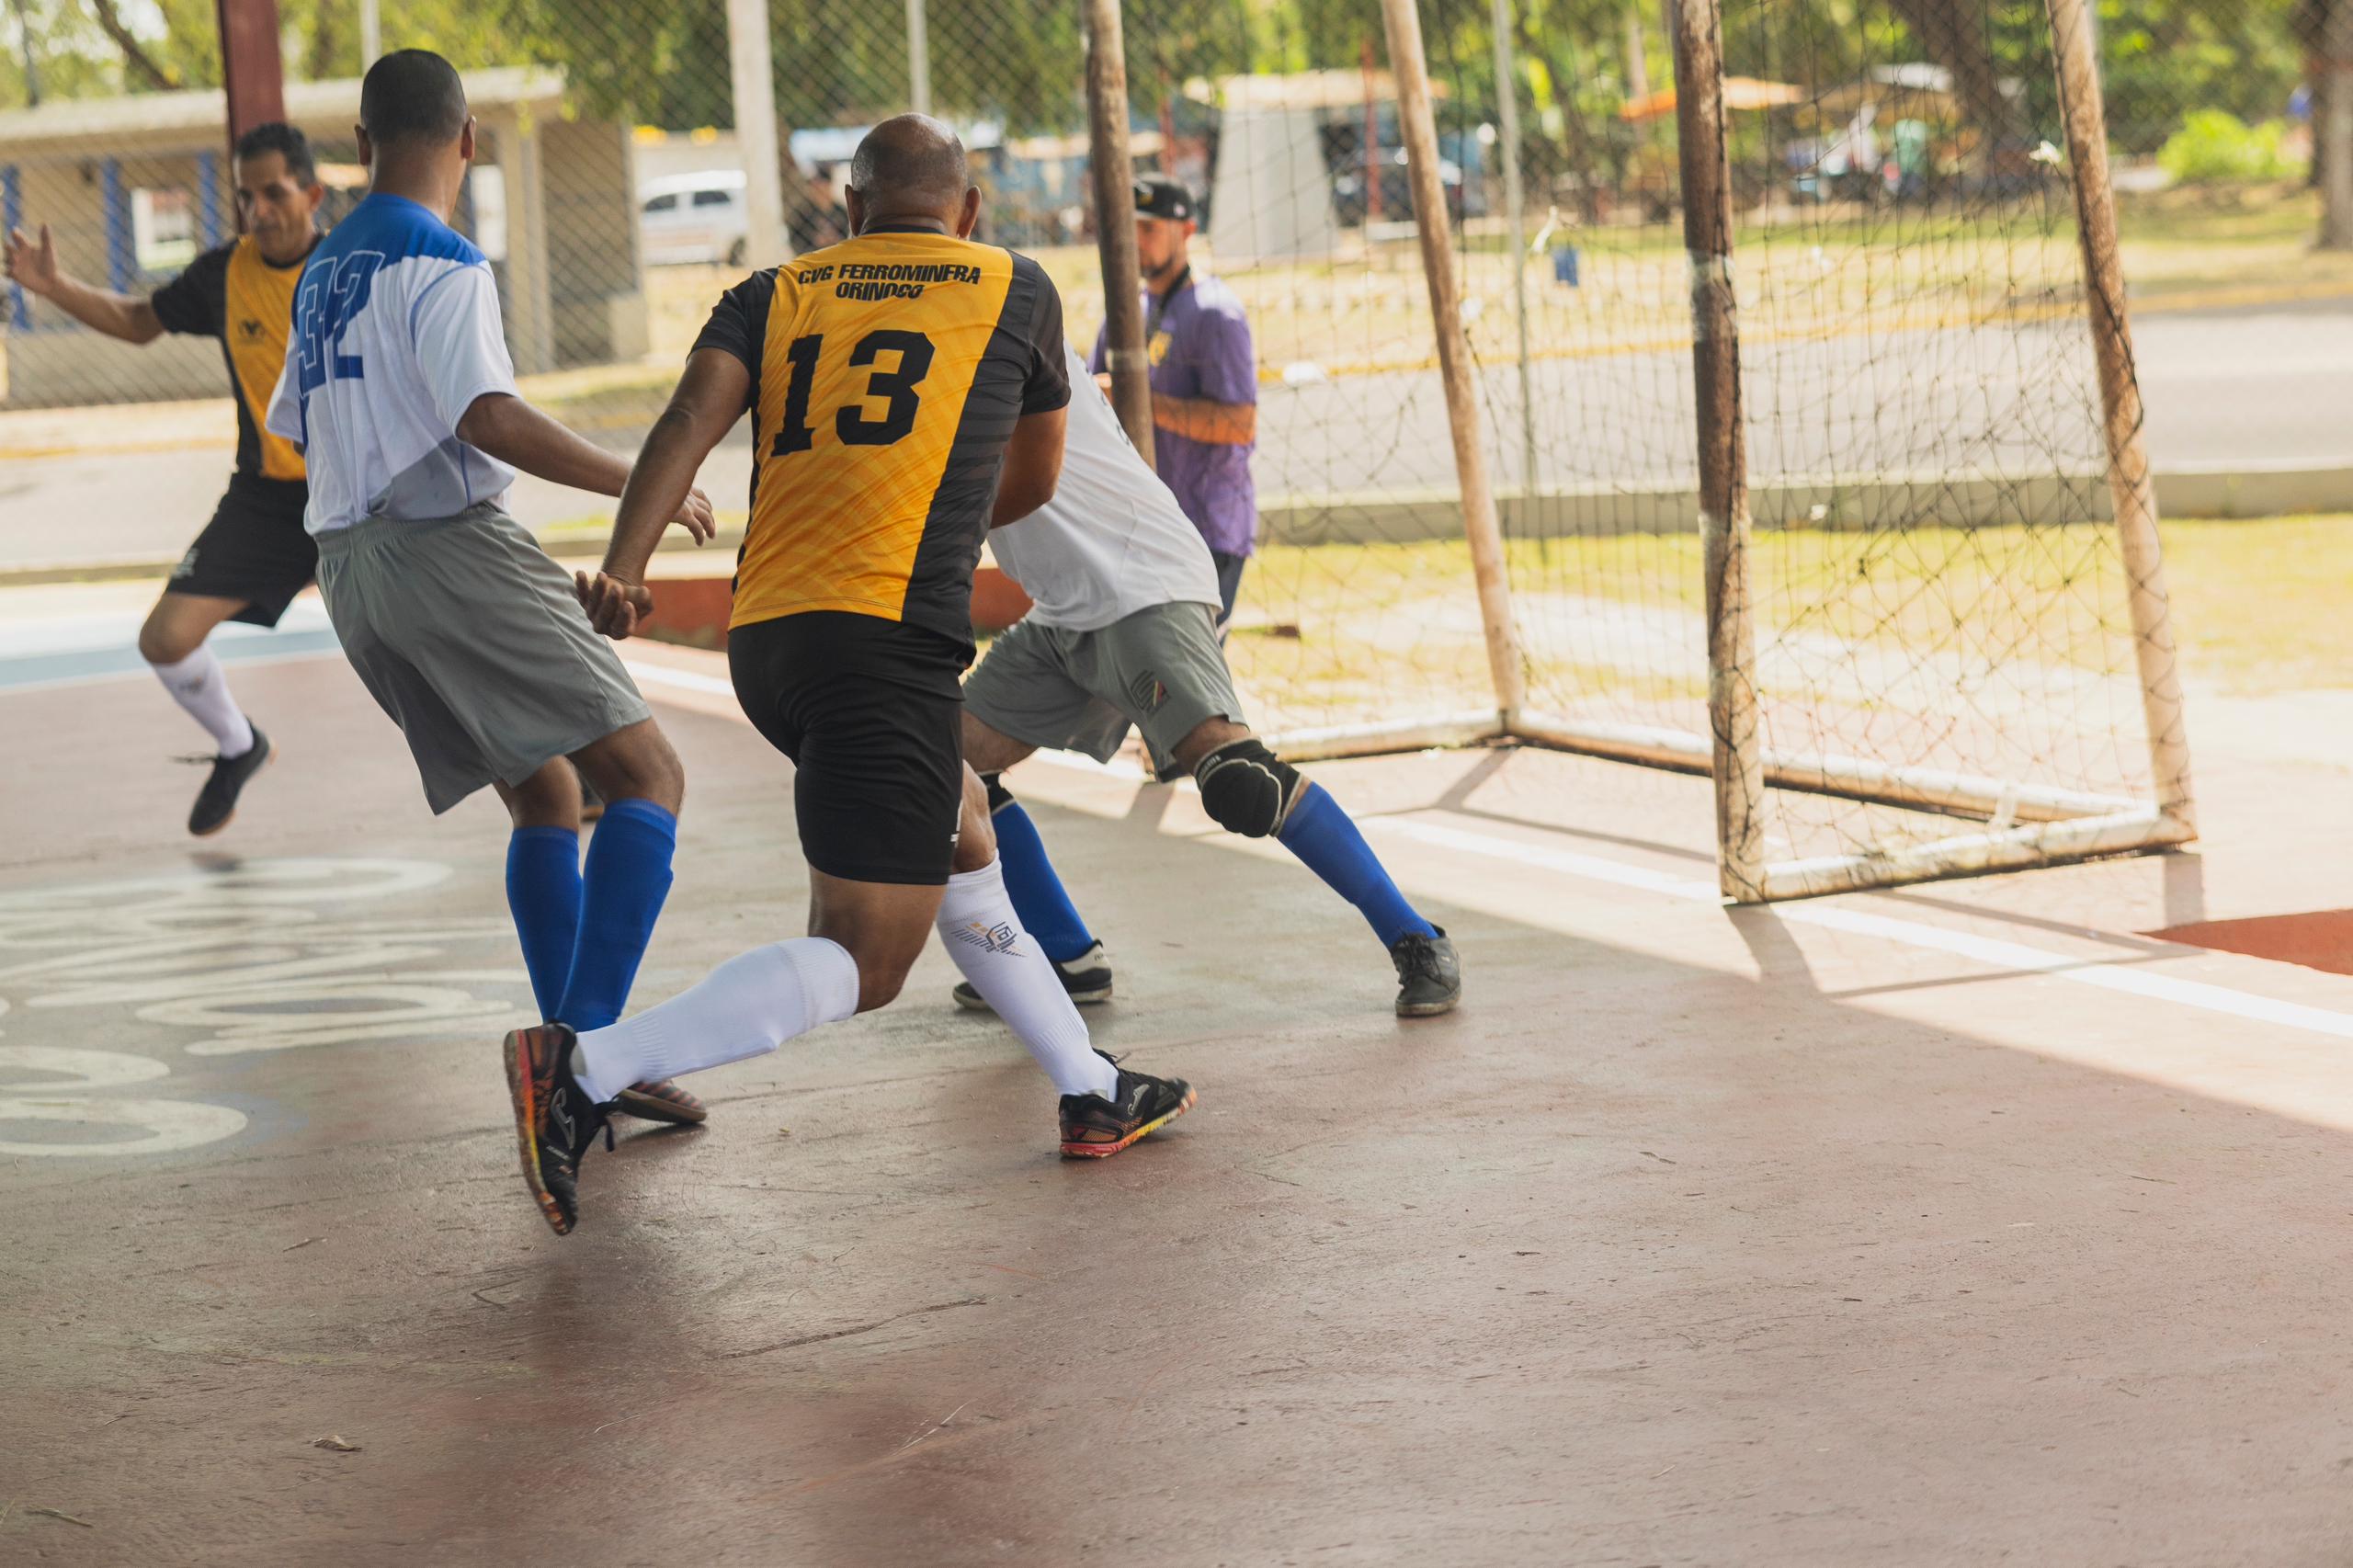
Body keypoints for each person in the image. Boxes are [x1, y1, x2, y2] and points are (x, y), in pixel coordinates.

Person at [509, 114, 1196, 1235]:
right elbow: (1031, 479)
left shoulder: (772, 291)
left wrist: (627, 572)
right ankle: (582, 1069)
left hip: (769, 637)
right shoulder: (1012, 285)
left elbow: (687, 417)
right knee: (864, 956)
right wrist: (929, 494)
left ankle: (1090, 1087)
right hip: (884, 643)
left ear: (848, 206)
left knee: (963, 828)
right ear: (968, 211)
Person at [262, 51, 717, 1153]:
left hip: (350, 572)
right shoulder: (444, 258)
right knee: (648, 774)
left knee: (547, 796)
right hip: (442, 545)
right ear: (467, 141)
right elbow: (488, 417)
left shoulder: (324, 270)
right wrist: (637, 474)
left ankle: (571, 1047)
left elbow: (294, 424)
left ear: (360, 150)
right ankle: (584, 1062)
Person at [958, 346, 1461, 1019]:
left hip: (1140, 583)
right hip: (1064, 605)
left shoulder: (999, 323)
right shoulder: (932, 344)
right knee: (944, 771)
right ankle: (1065, 952)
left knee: (1238, 782)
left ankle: (1416, 939)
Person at [5, 124, 324, 836]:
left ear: (313, 192)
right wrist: (53, 286)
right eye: (246, 196)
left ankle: (559, 760)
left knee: (430, 643)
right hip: (268, 499)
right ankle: (241, 746)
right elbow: (139, 320)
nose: (259, 209)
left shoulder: (352, 265)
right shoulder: (223, 274)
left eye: (274, 192)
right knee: (166, 637)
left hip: (362, 496)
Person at [1089, 174, 1257, 627]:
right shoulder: (1124, 312)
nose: (1135, 241)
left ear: (1186, 231)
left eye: (1150, 228)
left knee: (1190, 684)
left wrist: (1136, 400)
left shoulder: (1216, 313)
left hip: (1205, 531)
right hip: (1138, 531)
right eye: (1129, 228)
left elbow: (1240, 424)